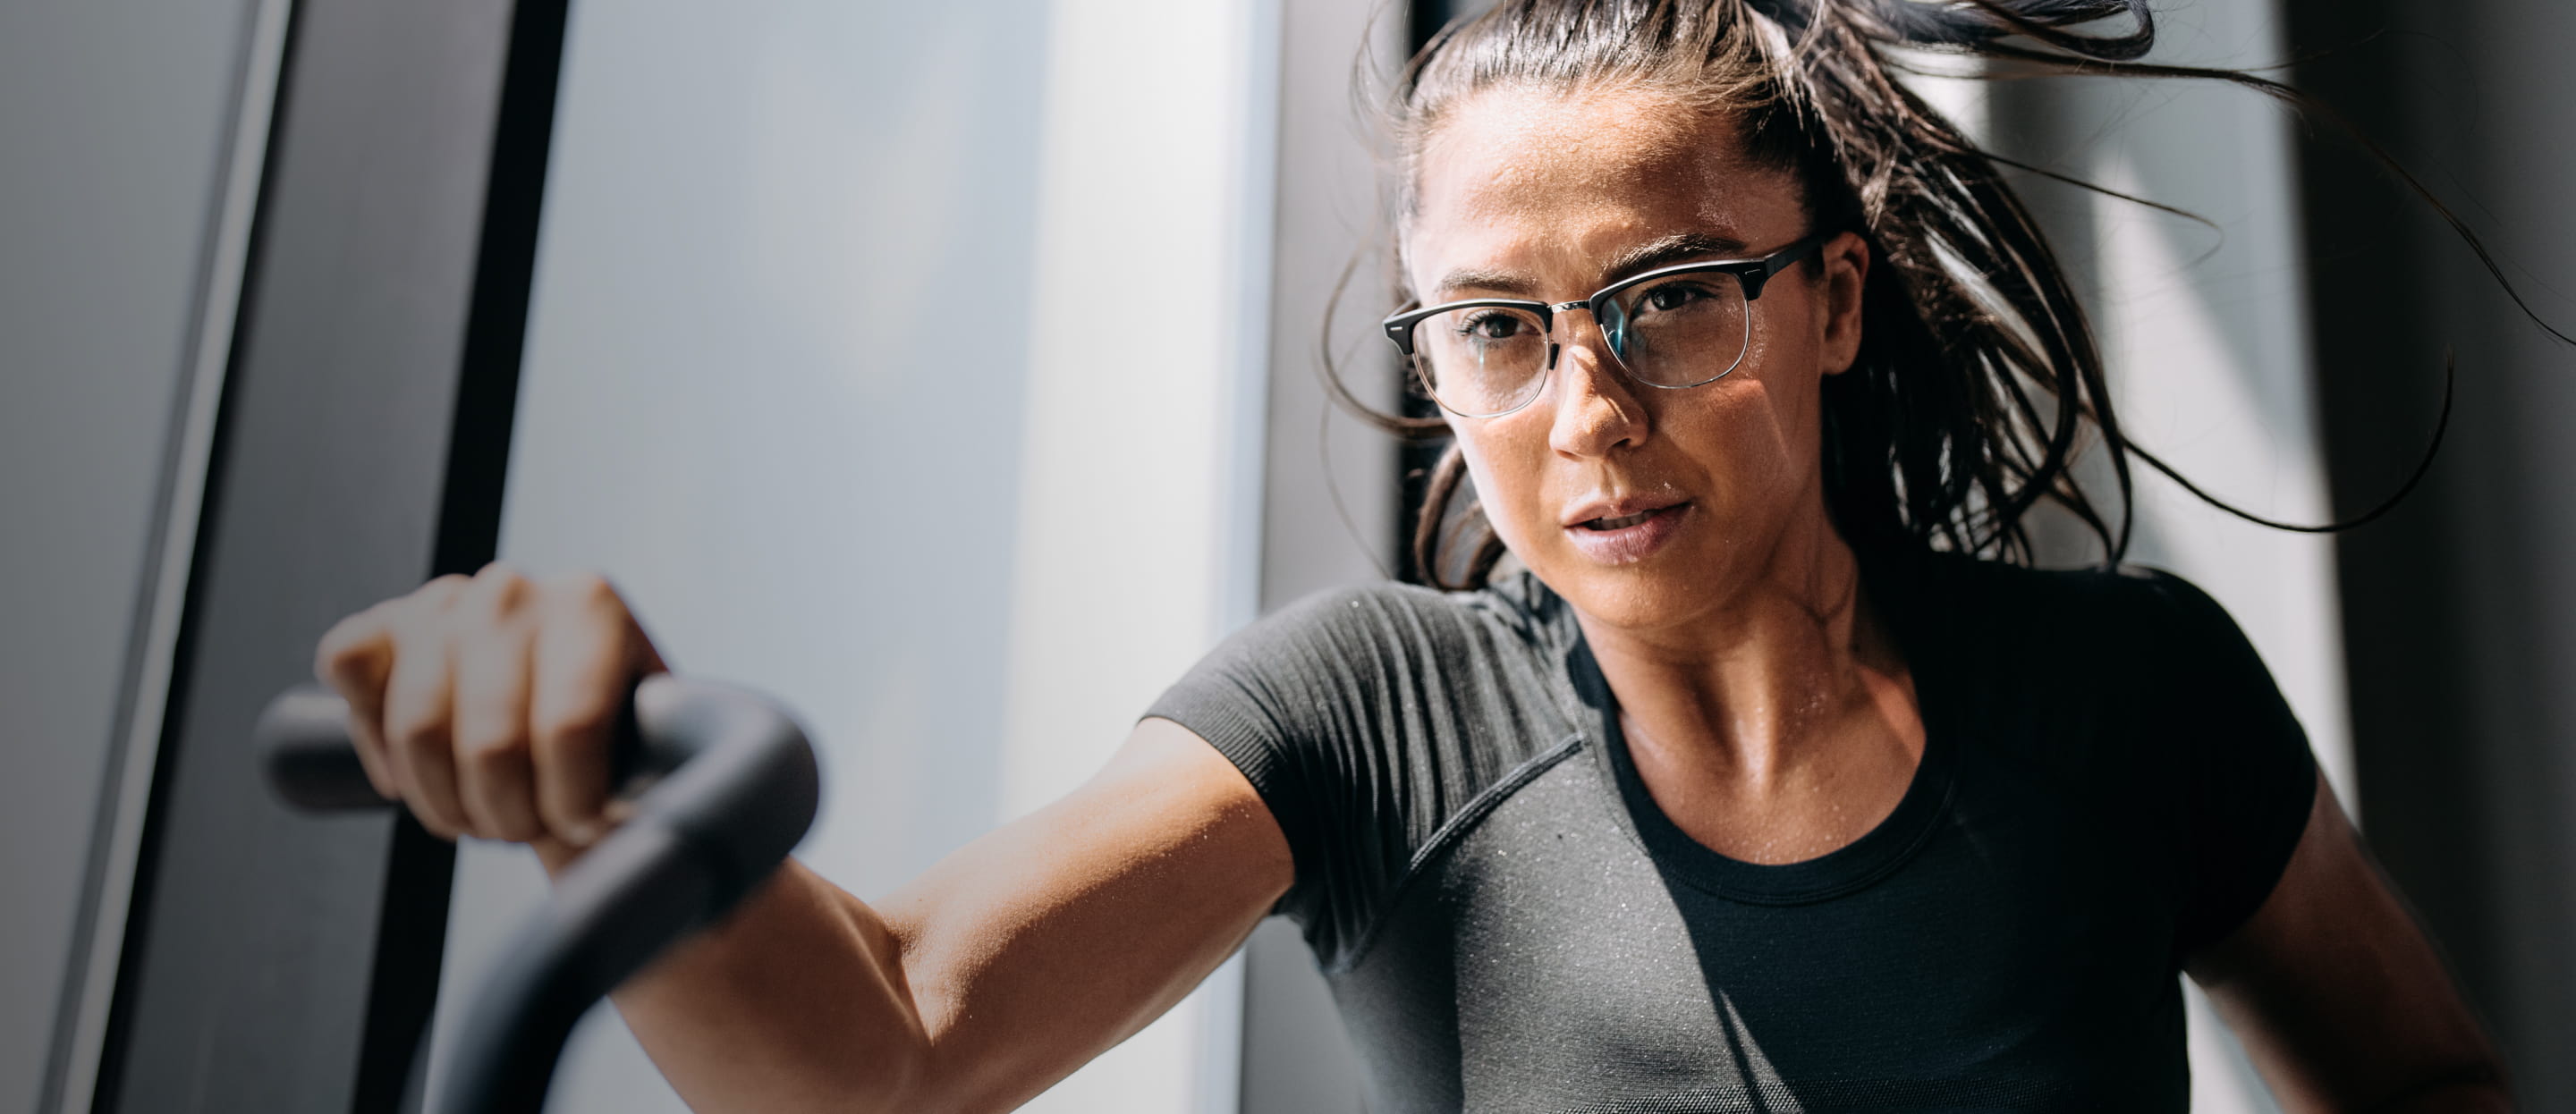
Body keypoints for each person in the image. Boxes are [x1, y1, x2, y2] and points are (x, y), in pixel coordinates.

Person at [313, 1, 2510, 1110]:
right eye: (1498, 331)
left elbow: (2426, 1083)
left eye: (1672, 294)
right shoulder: (1376, 712)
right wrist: (597, 786)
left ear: (1832, 298)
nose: (1589, 410)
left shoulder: (2131, 691)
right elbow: (895, 1037)